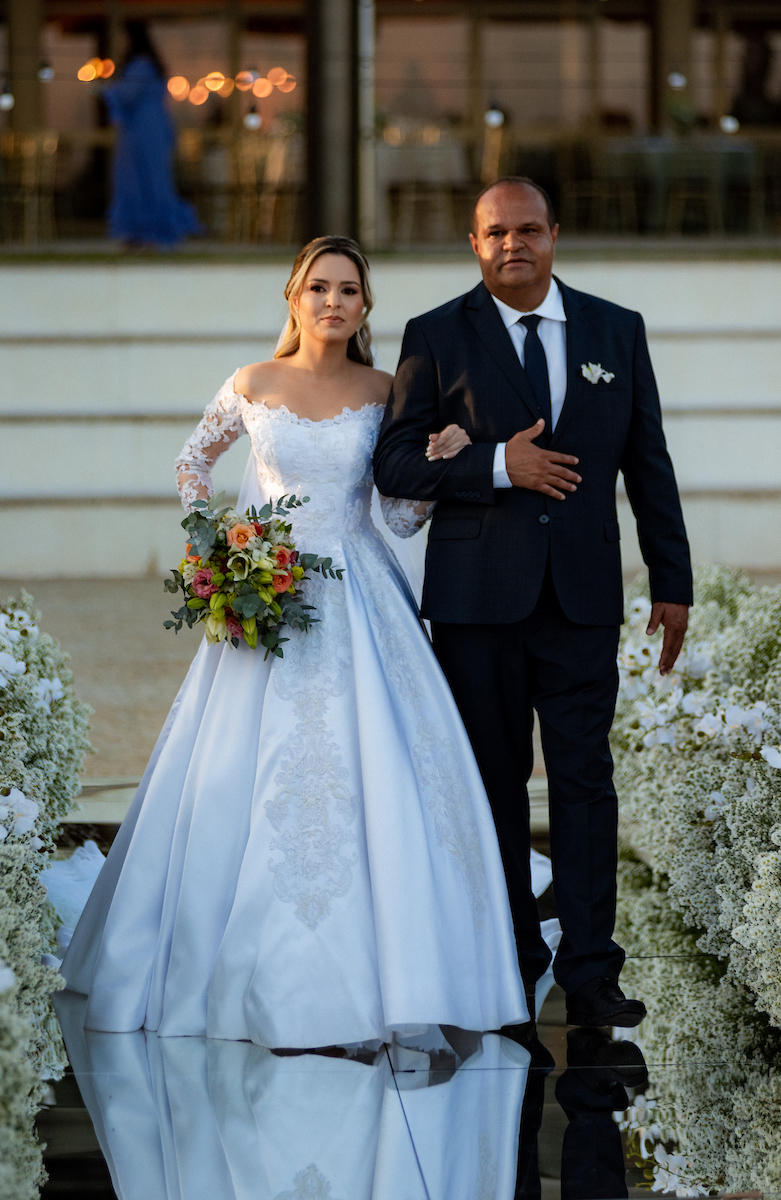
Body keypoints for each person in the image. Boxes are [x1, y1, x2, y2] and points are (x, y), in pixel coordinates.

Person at [60, 235, 530, 1049]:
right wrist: (222, 547)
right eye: (319, 287)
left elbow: (395, 515)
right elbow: (191, 461)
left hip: (361, 592)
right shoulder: (252, 383)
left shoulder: (387, 390)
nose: (333, 302)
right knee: (244, 770)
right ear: (293, 297)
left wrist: (436, 460)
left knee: (375, 768)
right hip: (265, 594)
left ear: (364, 307)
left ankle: (400, 966)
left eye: (349, 290)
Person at [373, 176, 693, 1029]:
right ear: (473, 245)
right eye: (493, 233)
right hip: (477, 603)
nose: (511, 243)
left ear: (554, 234)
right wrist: (491, 465)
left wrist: (672, 580)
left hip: (582, 597)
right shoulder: (436, 335)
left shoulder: (613, 331)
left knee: (586, 784)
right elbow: (395, 466)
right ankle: (508, 958)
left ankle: (591, 971)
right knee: (493, 785)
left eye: (526, 229)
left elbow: (646, 462)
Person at [105, 21, 201, 248]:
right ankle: (148, 232)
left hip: (143, 131)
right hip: (153, 129)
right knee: (152, 178)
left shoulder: (140, 65)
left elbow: (126, 95)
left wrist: (105, 90)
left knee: (141, 179)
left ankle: (148, 232)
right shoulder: (151, 65)